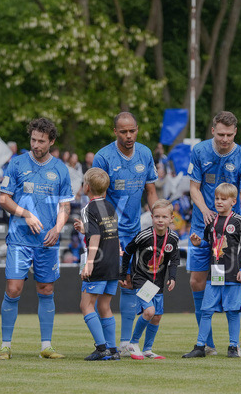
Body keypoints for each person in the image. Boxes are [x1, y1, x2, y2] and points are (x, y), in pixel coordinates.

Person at [0, 118, 73, 360]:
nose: (36, 145)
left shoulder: (61, 169)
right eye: (33, 140)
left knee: (46, 288)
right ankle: (6, 346)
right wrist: (26, 214)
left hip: (47, 241)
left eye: (41, 141)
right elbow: (4, 199)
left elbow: (65, 206)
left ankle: (46, 346)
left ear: (51, 141)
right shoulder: (17, 163)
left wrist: (58, 228)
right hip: (19, 238)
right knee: (14, 288)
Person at [188, 112, 241, 355]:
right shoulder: (199, 152)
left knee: (229, 291)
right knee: (197, 283)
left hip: (229, 234)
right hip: (202, 225)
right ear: (212, 131)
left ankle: (232, 343)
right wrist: (206, 210)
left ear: (235, 133)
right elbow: (193, 188)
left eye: (229, 135)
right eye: (221, 134)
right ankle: (206, 344)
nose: (225, 139)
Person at [91, 112, 158, 359]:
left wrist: (157, 221)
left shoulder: (145, 153)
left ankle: (127, 343)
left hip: (136, 233)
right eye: (123, 132)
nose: (128, 136)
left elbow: (151, 190)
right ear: (115, 132)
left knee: (133, 284)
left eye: (132, 131)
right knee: (108, 287)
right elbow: (97, 197)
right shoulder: (103, 156)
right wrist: (109, 233)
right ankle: (106, 346)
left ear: (137, 129)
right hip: (110, 233)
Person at [183, 183, 241, 358]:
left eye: (223, 199)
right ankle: (201, 346)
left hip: (233, 271)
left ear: (233, 201)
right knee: (206, 309)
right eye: (216, 198)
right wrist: (199, 243)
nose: (219, 202)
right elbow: (213, 244)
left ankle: (233, 346)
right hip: (216, 271)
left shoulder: (238, 221)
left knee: (232, 310)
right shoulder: (211, 221)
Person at [73, 168, 122, 361]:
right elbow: (105, 232)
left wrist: (89, 263)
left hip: (99, 262)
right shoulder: (110, 207)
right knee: (105, 306)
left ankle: (101, 349)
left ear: (87, 187)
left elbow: (95, 236)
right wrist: (84, 228)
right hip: (112, 262)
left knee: (86, 305)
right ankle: (113, 349)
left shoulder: (88, 208)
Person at [123, 199, 180, 360]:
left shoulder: (173, 238)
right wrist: (123, 274)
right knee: (149, 311)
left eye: (164, 217)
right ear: (152, 217)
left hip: (158, 282)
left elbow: (174, 260)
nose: (160, 220)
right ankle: (132, 343)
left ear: (171, 218)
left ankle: (148, 349)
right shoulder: (144, 235)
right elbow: (127, 252)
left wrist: (173, 277)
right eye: (156, 217)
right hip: (142, 280)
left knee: (157, 316)